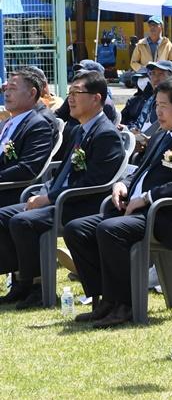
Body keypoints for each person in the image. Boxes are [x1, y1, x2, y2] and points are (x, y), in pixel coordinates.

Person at [64, 78, 172, 328]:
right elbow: (141, 170)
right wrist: (123, 183)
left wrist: (147, 197)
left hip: (167, 216)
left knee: (110, 230)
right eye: (156, 105)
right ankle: (103, 298)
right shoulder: (161, 135)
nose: (158, 111)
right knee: (77, 228)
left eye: (164, 106)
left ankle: (126, 304)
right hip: (136, 210)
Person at [0, 71, 125, 308]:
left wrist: (49, 198)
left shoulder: (105, 134)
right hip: (62, 199)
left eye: (77, 93)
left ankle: (37, 288)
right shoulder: (79, 129)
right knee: (6, 215)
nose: (71, 99)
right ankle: (21, 282)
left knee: (22, 221)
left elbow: (94, 182)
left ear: (96, 98)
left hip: (81, 204)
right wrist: (44, 192)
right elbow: (62, 173)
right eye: (69, 93)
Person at [0, 70, 57, 207]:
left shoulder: (38, 125)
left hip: (9, 192)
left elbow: (26, 168)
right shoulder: (7, 122)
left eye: (13, 89)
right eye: (6, 89)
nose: (6, 93)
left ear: (32, 93)